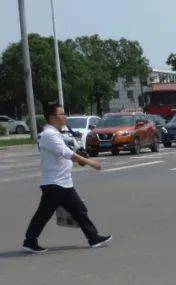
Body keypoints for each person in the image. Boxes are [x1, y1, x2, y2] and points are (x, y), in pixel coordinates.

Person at [22, 103, 110, 253]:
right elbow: (66, 153)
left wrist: (80, 160)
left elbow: (64, 155)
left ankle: (93, 238)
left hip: (62, 182)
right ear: (52, 117)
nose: (65, 117)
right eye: (61, 114)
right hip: (55, 184)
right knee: (44, 214)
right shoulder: (49, 135)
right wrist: (91, 163)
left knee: (79, 210)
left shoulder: (54, 133)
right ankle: (30, 241)